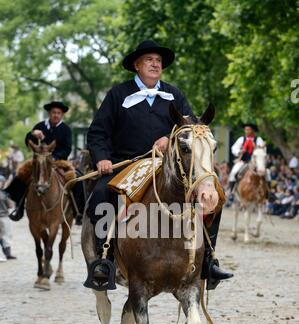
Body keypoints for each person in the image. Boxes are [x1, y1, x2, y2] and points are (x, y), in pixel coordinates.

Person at [87, 39, 233, 290]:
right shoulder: (117, 94)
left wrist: (170, 138)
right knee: (101, 191)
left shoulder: (173, 94)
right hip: (128, 164)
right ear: (137, 65)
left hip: (167, 167)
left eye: (158, 61)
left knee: (214, 194)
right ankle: (104, 260)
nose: (155, 64)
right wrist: (102, 157)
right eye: (149, 60)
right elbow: (98, 132)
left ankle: (208, 259)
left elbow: (191, 128)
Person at [5, 101, 80, 221]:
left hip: (58, 161)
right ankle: (18, 208)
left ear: (62, 115)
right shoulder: (40, 126)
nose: (56, 115)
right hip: (39, 159)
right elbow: (28, 141)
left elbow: (67, 148)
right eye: (54, 112)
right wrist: (32, 134)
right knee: (22, 175)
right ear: (49, 113)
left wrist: (54, 158)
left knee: (77, 179)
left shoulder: (66, 129)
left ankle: (77, 211)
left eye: (59, 113)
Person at [229, 123, 266, 194]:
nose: (246, 131)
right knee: (233, 173)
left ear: (252, 130)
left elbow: (262, 150)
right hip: (243, 161)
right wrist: (240, 151)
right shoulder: (241, 139)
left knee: (268, 174)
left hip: (256, 163)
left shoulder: (258, 139)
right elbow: (234, 148)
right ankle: (232, 192)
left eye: (248, 129)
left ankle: (269, 194)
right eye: (245, 129)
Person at [0, 175, 16, 260]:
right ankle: (6, 254)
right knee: (5, 235)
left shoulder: (4, 193)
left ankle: (8, 254)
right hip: (3, 217)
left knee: (6, 235)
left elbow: (10, 205)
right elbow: (10, 205)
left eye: (1, 182)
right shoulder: (3, 193)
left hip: (5, 217)